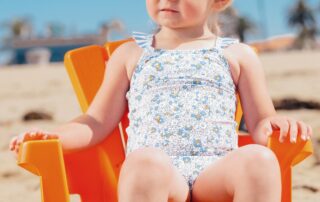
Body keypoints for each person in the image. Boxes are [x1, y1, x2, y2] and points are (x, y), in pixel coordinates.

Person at [10, 0, 313, 201]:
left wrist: (277, 125)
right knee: (143, 161)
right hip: (159, 176)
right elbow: (96, 121)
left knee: (260, 160)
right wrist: (55, 136)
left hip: (217, 173)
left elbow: (261, 122)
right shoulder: (130, 55)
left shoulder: (238, 56)